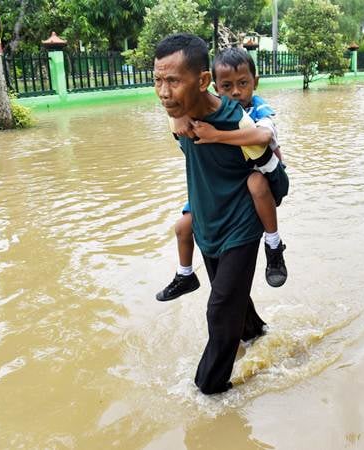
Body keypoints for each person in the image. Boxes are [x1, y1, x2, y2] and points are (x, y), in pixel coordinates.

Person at [153, 33, 269, 394]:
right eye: (157, 80)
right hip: (207, 221)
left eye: (173, 81)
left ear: (202, 81)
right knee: (232, 300)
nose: (163, 92)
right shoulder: (180, 115)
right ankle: (257, 334)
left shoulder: (239, 124)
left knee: (219, 308)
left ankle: (210, 387)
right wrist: (179, 121)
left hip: (242, 223)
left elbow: (270, 169)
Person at [156, 48, 289, 302]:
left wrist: (216, 136)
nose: (236, 92)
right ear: (214, 86)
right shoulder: (211, 110)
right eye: (227, 86)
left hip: (263, 174)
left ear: (255, 83)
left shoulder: (259, 110)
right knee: (183, 225)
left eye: (243, 84)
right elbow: (176, 103)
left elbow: (263, 136)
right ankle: (185, 274)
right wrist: (181, 114)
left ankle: (273, 244)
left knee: (256, 182)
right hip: (219, 187)